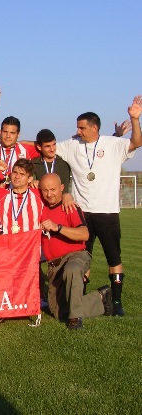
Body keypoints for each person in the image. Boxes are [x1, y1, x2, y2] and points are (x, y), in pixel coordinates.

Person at [55, 97, 142, 316]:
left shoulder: (113, 144)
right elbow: (47, 146)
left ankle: (117, 302)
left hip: (107, 212)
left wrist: (135, 119)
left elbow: (136, 142)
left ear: (94, 128)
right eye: (77, 127)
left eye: (82, 127)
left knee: (114, 258)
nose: (78, 131)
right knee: (82, 258)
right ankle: (81, 299)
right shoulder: (72, 145)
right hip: (82, 213)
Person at [39, 173, 113, 329]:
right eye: (45, 190)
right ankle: (100, 298)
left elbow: (84, 234)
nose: (49, 194)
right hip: (54, 266)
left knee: (71, 268)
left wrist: (58, 227)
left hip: (75, 257)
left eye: (53, 189)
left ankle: (75, 318)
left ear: (62, 188)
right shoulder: (40, 207)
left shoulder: (70, 207)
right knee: (58, 312)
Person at [0, 159, 43, 235]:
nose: (17, 176)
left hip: (30, 242)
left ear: (30, 179)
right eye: (15, 172)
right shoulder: (0, 194)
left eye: (22, 174)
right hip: (5, 242)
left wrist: (40, 184)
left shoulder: (39, 194)